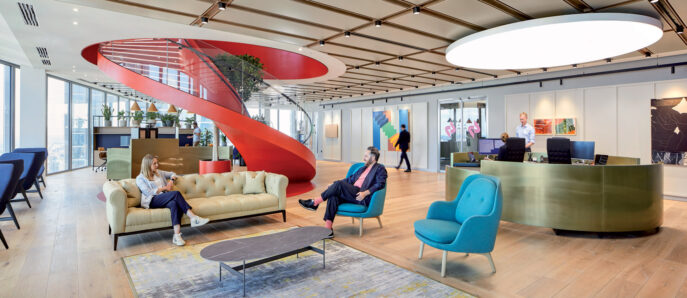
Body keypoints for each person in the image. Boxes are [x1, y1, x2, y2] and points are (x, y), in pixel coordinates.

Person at [298, 146, 387, 237]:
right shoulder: (362, 168)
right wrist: (334, 185)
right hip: (352, 193)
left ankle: (315, 202)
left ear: (373, 158)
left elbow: (380, 184)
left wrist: (365, 193)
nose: (363, 158)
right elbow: (349, 180)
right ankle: (328, 229)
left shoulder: (380, 169)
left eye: (366, 156)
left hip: (361, 195)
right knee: (333, 196)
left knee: (339, 184)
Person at [135, 154, 209, 246]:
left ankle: (177, 236)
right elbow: (149, 193)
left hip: (164, 198)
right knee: (176, 194)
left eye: (157, 163)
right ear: (147, 165)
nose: (157, 165)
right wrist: (165, 188)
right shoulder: (140, 178)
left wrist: (171, 181)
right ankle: (193, 217)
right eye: (154, 164)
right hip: (152, 200)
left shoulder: (158, 172)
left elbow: (173, 173)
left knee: (174, 204)